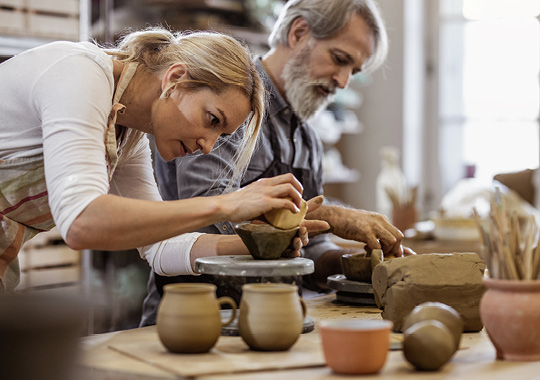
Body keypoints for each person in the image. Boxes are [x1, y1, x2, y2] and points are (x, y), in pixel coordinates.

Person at [140, 0, 414, 326]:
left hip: (273, 321)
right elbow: (208, 213)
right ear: (298, 32)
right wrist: (330, 214)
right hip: (196, 319)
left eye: (352, 72)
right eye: (339, 60)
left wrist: (358, 265)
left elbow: (306, 249)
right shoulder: (227, 104)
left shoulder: (307, 138)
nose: (342, 82)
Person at [0, 27, 329, 292]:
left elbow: (159, 249)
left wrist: (260, 245)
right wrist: (228, 205)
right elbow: (81, 222)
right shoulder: (78, 74)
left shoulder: (128, 134)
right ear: (175, 79)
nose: (208, 147)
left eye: (222, 135)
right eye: (212, 120)